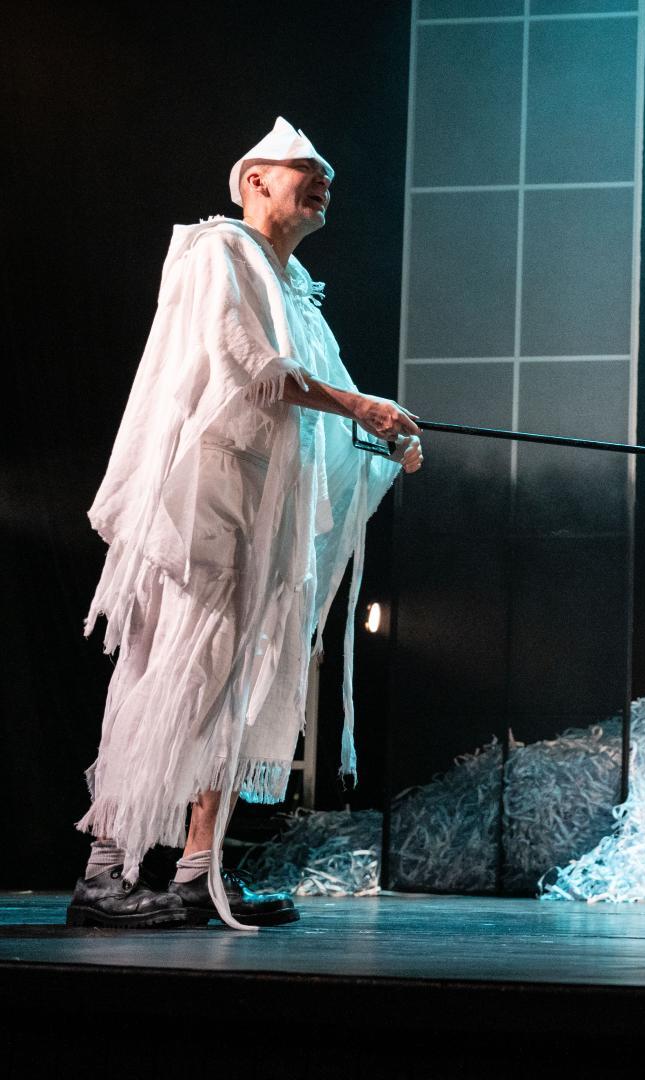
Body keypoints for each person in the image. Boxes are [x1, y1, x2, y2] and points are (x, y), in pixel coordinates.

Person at [71, 118, 423, 930]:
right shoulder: (218, 251)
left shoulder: (297, 293)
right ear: (256, 180)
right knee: (178, 670)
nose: (325, 181)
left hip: (269, 518)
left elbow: (328, 408)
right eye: (308, 169)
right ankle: (104, 871)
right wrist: (359, 406)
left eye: (328, 175)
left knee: (236, 684)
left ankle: (199, 871)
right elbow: (248, 364)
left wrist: (383, 440)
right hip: (210, 506)